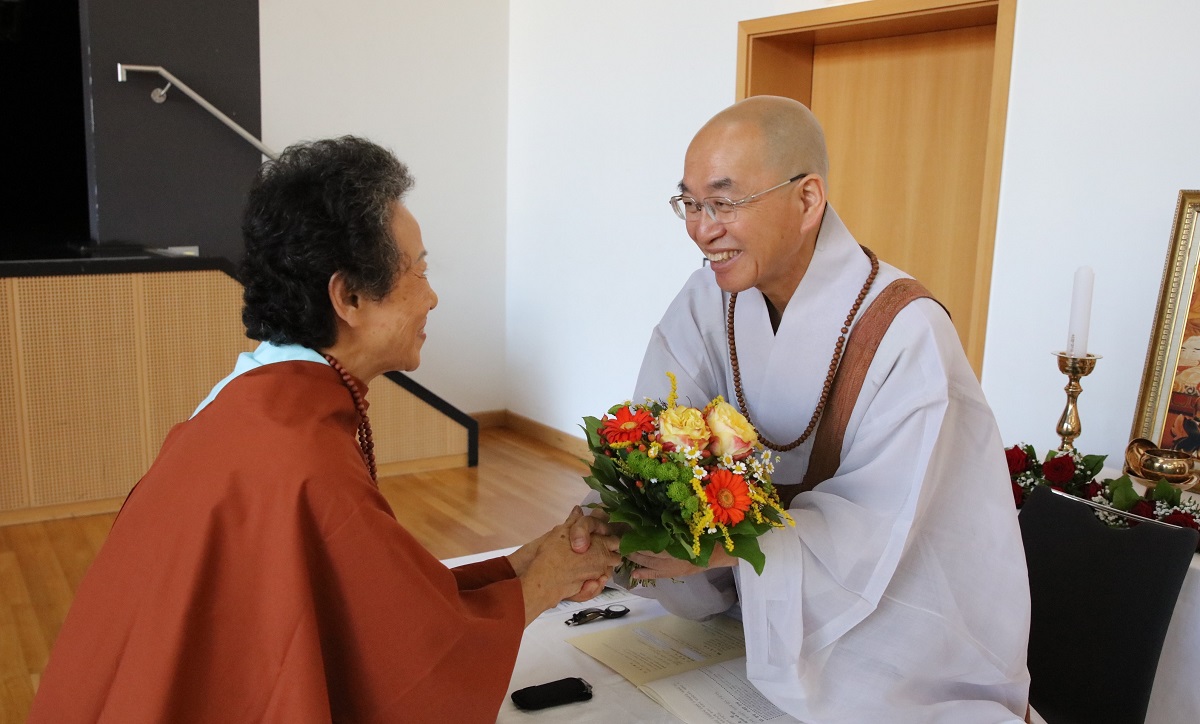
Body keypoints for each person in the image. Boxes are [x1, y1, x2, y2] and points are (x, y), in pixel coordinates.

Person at [29, 137, 620, 724]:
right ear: (349, 296)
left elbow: (369, 607)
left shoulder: (260, 403)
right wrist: (543, 582)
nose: (433, 297)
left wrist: (521, 567)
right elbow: (409, 665)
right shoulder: (301, 456)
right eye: (418, 271)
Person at [577, 96, 1031, 723]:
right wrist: (622, 515)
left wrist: (719, 550)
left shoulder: (906, 331)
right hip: (747, 604)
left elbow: (878, 526)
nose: (702, 228)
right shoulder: (711, 299)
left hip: (896, 622)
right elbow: (653, 424)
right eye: (690, 203)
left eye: (725, 202)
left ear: (808, 198)